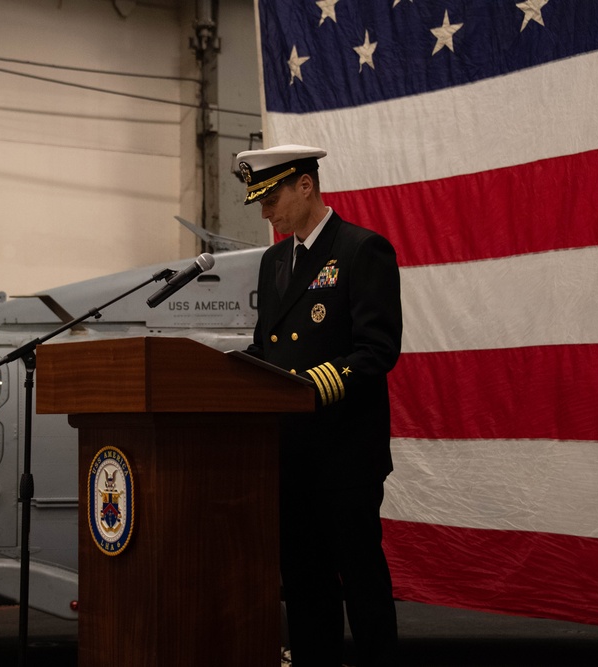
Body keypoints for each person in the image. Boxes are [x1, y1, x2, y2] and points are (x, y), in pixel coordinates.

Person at [237, 145, 403, 666]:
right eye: (259, 202)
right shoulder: (272, 262)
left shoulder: (361, 249)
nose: (265, 213)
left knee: (362, 585)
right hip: (290, 457)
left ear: (305, 185)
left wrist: (309, 385)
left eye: (271, 198)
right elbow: (269, 346)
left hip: (344, 455)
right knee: (306, 590)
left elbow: (377, 350)